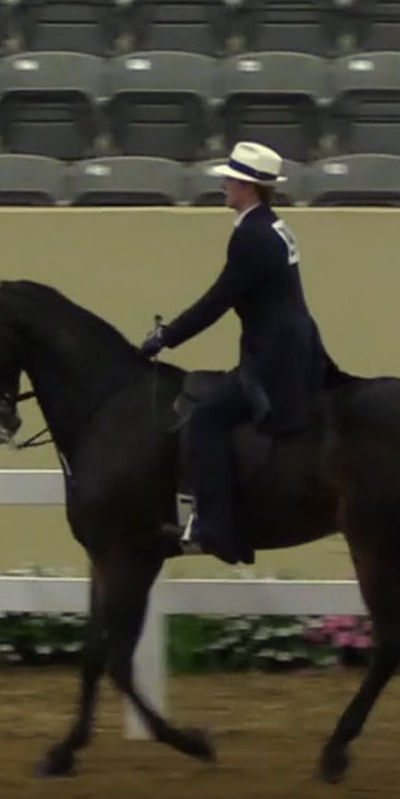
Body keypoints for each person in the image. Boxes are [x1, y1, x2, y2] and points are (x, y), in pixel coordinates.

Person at [139, 141, 334, 566]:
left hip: (274, 361)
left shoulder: (251, 235)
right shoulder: (273, 226)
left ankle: (215, 525)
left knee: (207, 417)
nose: (224, 184)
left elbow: (218, 301)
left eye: (231, 179)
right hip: (296, 350)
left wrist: (166, 336)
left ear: (249, 186)